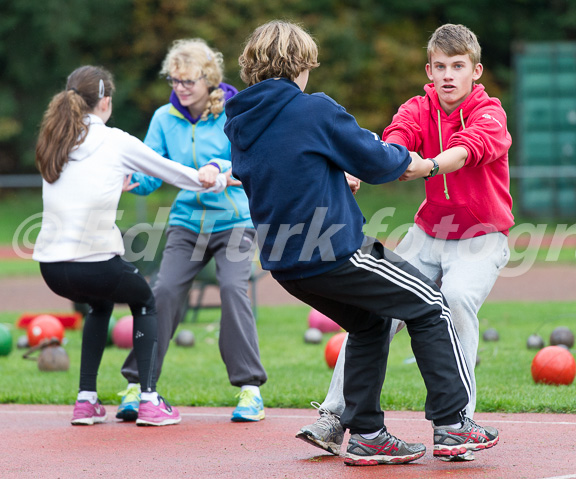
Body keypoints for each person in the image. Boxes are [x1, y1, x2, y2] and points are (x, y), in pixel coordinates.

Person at [224, 20, 498, 466]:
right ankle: (452, 425)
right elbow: (374, 160)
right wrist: (412, 162)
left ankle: (368, 434)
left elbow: (292, 167)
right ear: (300, 65)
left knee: (370, 324)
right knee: (430, 305)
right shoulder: (313, 109)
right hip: (336, 251)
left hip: (285, 264)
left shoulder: (239, 123)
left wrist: (331, 173)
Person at [296, 23, 512, 460]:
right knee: (374, 310)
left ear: (476, 71)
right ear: (428, 72)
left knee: (453, 300)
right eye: (440, 66)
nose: (448, 75)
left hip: (481, 238)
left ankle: (457, 425)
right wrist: (362, 168)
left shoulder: (490, 113)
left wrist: (429, 165)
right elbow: (394, 141)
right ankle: (335, 417)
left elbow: (466, 150)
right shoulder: (418, 107)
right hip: (427, 234)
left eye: (458, 66)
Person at [33, 65, 232, 426]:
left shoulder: (53, 140)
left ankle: (85, 401)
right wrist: (217, 180)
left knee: (99, 305)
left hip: (50, 267)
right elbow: (172, 172)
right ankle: (150, 400)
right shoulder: (114, 140)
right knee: (146, 302)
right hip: (94, 261)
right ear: (105, 102)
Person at [118, 38, 267, 423]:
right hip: (186, 223)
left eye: (188, 81)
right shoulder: (164, 118)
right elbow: (152, 170)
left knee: (234, 290)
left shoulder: (234, 112)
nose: (180, 88)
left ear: (209, 78)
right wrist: (132, 180)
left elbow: (244, 159)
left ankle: (250, 391)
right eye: (175, 80)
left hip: (234, 221)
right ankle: (138, 385)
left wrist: (218, 166)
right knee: (163, 291)